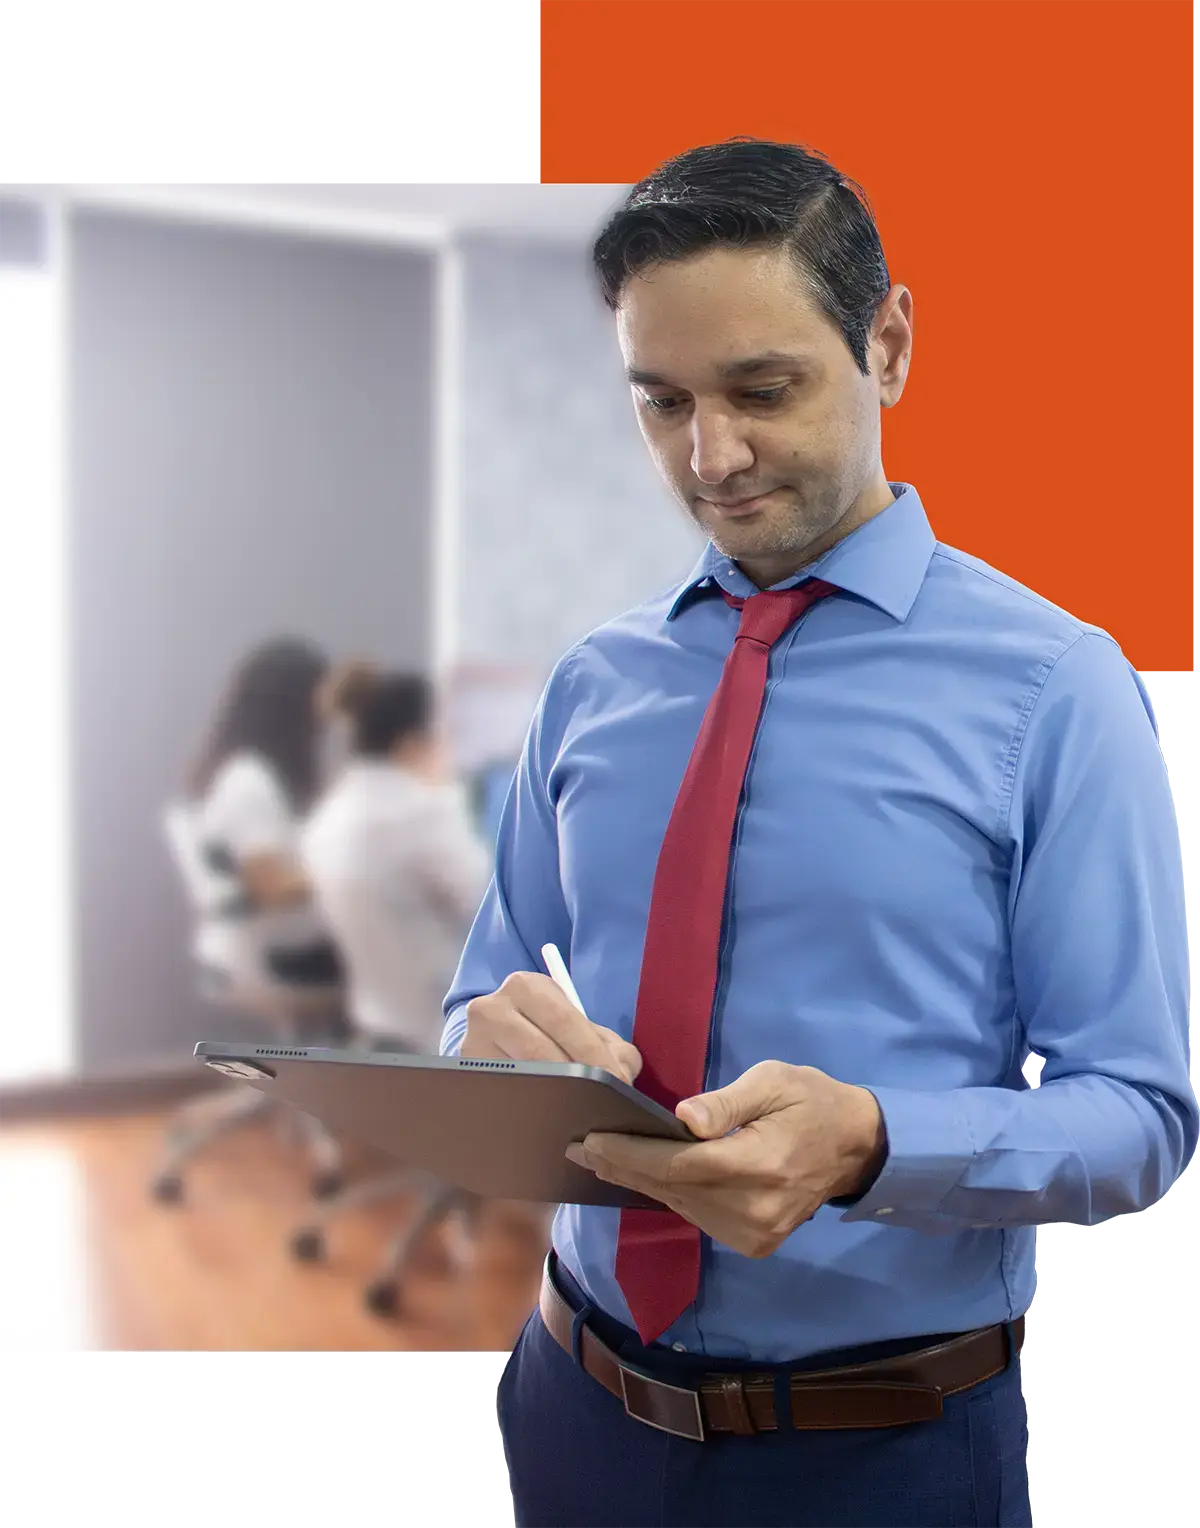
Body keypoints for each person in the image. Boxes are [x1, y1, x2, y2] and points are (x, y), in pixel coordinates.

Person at [440, 138, 1200, 1528]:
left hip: (885, 1455)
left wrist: (870, 1142)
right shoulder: (594, 682)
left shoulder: (1059, 688)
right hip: (573, 1410)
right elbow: (480, 991)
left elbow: (1143, 1114)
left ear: (889, 342)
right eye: (660, 402)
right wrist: (482, 1040)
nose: (708, 457)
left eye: (762, 391)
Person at [302, 670, 491, 1050]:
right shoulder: (423, 811)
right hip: (444, 1030)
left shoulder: (327, 815)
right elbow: (491, 909)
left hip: (377, 1024)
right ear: (412, 743)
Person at [188, 635, 342, 1003]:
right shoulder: (248, 784)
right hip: (270, 959)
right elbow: (271, 889)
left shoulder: (255, 776)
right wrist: (344, 871)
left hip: (278, 949)